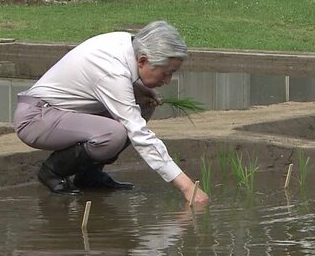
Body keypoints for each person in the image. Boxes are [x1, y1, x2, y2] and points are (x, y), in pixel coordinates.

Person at [13, 20, 209, 206]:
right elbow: (139, 133)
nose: (167, 80)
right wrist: (187, 186)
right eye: (166, 72)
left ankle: (89, 175)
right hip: (36, 118)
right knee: (114, 134)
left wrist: (135, 89)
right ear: (142, 60)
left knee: (144, 104)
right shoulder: (112, 70)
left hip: (63, 112)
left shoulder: (129, 45)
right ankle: (52, 171)